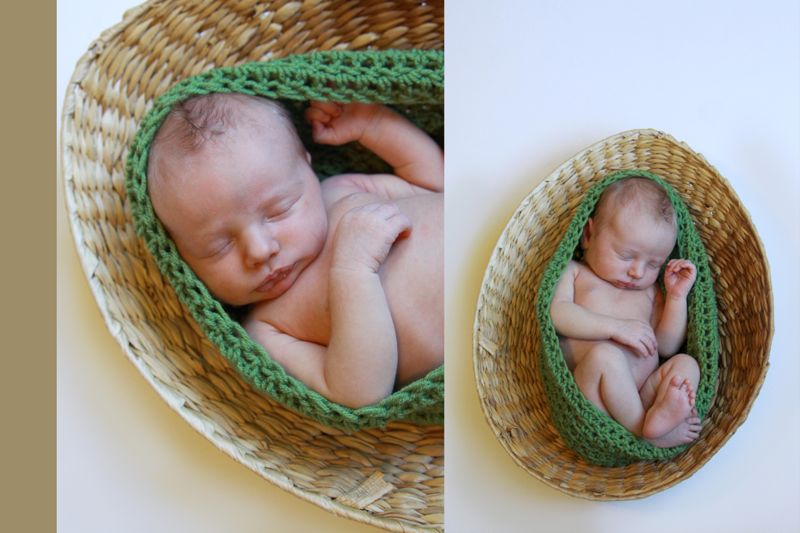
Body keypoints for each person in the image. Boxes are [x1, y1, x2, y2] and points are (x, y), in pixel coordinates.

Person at [147, 93, 443, 408]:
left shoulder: (339, 193)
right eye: (219, 246)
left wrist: (374, 124)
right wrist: (353, 270)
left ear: (307, 166)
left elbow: (436, 185)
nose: (260, 251)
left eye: (279, 210)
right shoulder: (266, 331)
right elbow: (359, 393)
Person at [550, 177, 701, 448]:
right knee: (605, 356)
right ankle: (645, 434)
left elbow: (666, 345)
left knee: (687, 365)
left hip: (642, 394)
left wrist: (677, 297)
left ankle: (657, 417)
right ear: (588, 235)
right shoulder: (574, 272)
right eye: (626, 256)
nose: (637, 272)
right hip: (596, 393)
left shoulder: (650, 291)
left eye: (653, 264)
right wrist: (615, 328)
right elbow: (558, 314)